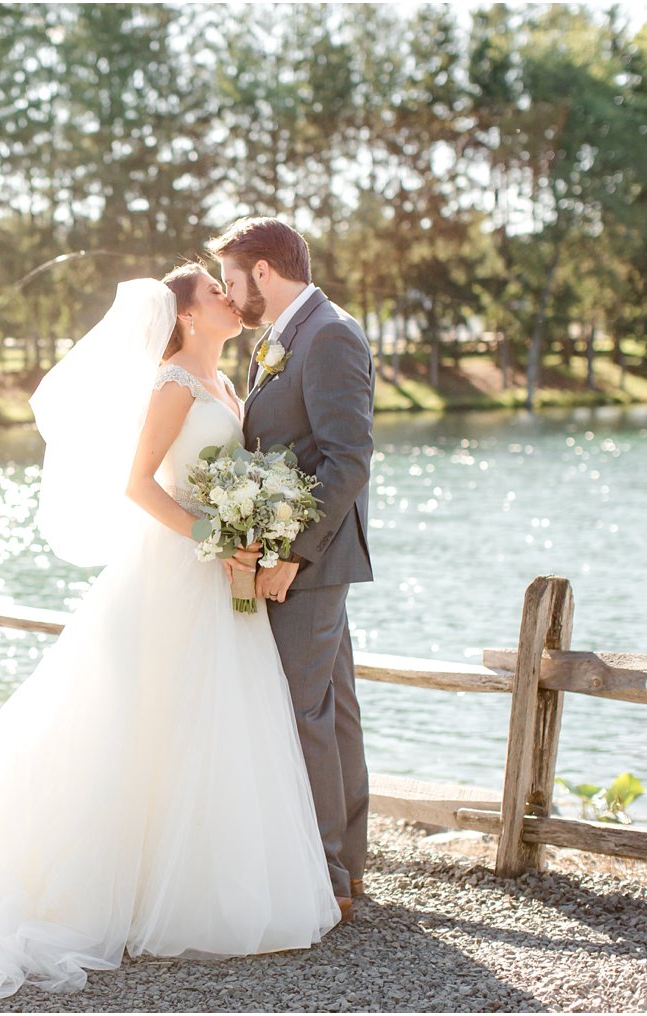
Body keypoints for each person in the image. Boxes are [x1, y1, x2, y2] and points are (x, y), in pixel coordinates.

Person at [0, 269, 339, 1007]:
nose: (226, 296)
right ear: (183, 313)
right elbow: (140, 485)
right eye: (212, 289)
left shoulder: (230, 384)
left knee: (204, 721)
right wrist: (219, 532)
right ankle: (112, 888)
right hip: (175, 571)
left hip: (216, 577)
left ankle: (193, 883)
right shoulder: (174, 382)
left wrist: (251, 528)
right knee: (135, 719)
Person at [210, 216, 376, 921]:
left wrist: (293, 555)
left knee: (305, 713)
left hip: (309, 558)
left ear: (264, 273)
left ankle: (329, 879)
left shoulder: (330, 334)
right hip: (293, 553)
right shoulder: (282, 338)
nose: (229, 294)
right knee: (331, 710)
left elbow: (347, 460)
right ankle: (349, 869)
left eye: (232, 280)